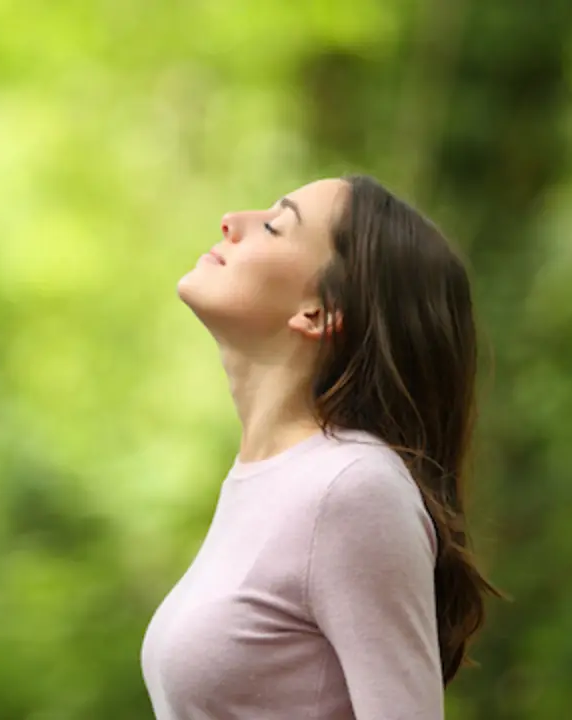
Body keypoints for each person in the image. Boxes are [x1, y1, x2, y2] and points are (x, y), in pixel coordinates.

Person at [140, 175, 501, 719]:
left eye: (273, 226)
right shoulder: (269, 481)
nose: (231, 221)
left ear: (320, 312)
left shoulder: (351, 488)